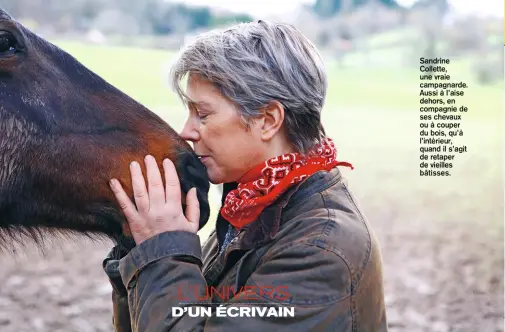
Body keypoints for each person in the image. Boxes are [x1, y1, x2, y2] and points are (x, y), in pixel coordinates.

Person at [102, 20, 388, 332]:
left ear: (267, 120)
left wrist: (161, 252)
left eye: (203, 114)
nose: (186, 131)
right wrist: (139, 251)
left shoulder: (320, 250)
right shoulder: (253, 208)